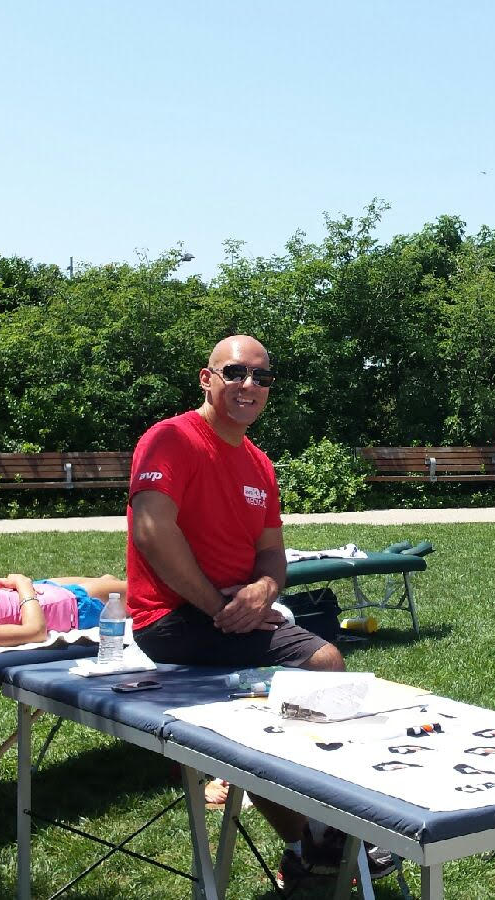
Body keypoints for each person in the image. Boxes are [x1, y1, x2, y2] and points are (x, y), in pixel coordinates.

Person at [124, 335, 394, 887]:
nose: (249, 385)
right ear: (207, 378)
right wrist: (222, 607)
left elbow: (272, 552)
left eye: (262, 377)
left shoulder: (259, 464)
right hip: (171, 620)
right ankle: (326, 832)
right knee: (321, 664)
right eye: (235, 372)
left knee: (275, 716)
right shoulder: (171, 439)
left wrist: (264, 590)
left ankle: (306, 844)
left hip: (227, 618)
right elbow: (152, 531)